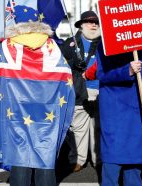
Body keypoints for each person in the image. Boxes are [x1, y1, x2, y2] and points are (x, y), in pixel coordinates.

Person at [0, 5, 75, 186]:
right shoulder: (52, 47)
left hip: (15, 112)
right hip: (47, 114)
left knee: (20, 160)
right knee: (45, 159)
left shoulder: (6, 47)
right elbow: (66, 82)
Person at [95, 44, 142, 186]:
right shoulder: (105, 44)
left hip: (137, 108)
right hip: (116, 110)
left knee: (135, 158)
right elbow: (102, 74)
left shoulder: (140, 43)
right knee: (113, 157)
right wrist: (126, 70)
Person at [60, 10, 102, 172]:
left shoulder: (105, 43)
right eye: (90, 22)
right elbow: (61, 67)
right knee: (79, 128)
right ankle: (79, 159)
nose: (93, 25)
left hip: (100, 91)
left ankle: (97, 159)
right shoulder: (71, 43)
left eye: (96, 22)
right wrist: (73, 63)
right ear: (81, 25)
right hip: (79, 92)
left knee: (98, 127)